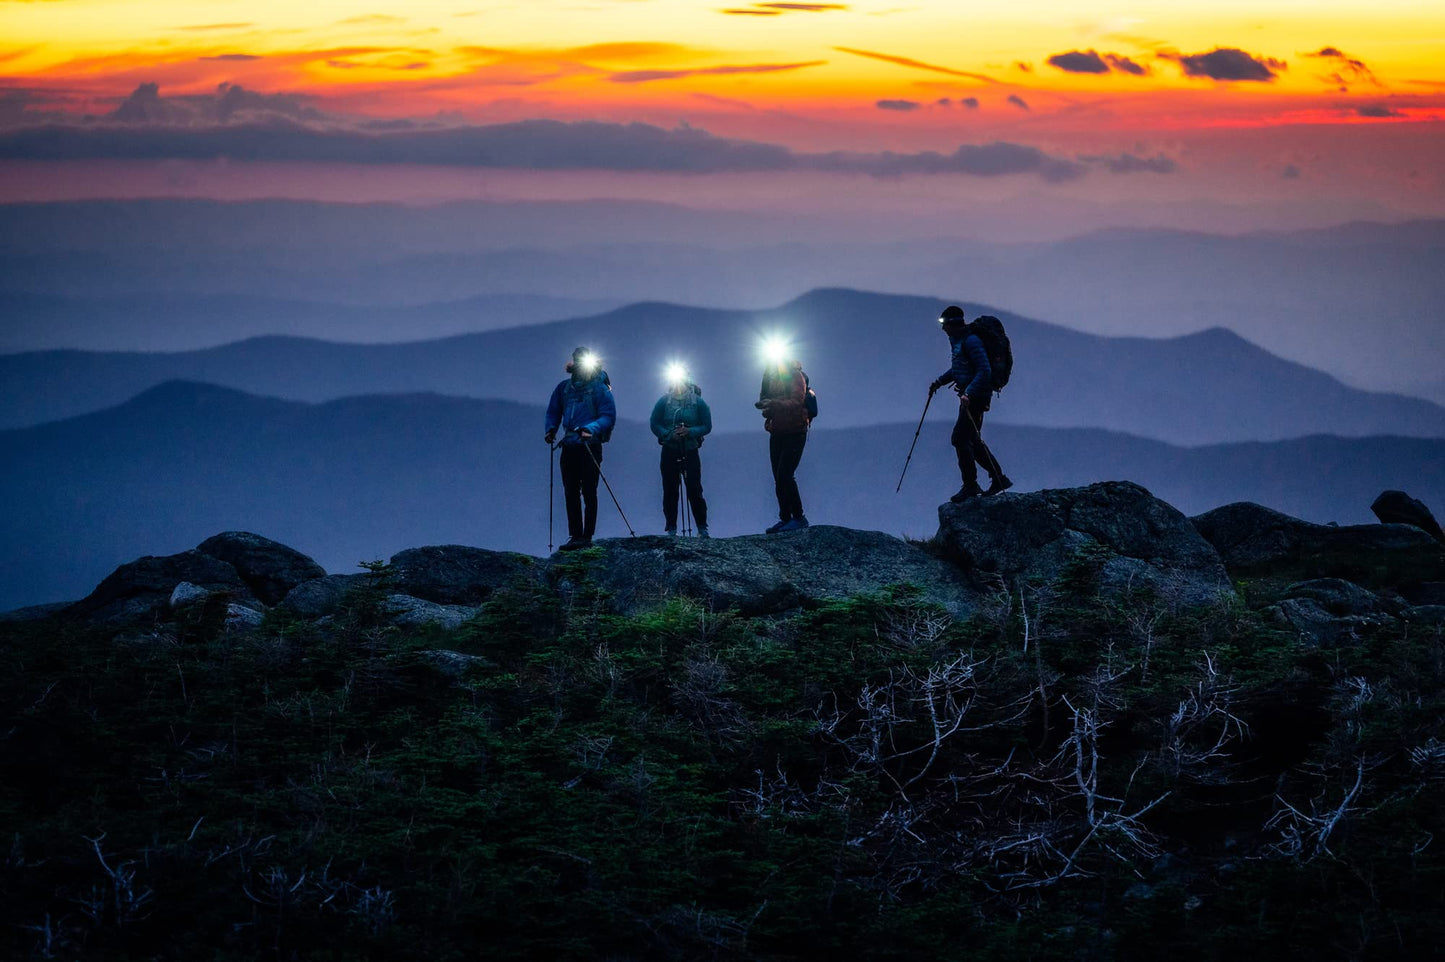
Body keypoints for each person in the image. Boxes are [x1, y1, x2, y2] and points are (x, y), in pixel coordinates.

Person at [929, 305, 1012, 502]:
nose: (943, 329)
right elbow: (960, 368)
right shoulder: (959, 341)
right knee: (971, 440)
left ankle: (971, 485)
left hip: (976, 397)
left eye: (944, 324)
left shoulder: (971, 341)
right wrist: (940, 382)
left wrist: (968, 393)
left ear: (952, 323)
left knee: (960, 438)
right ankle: (997, 479)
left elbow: (984, 370)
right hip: (970, 396)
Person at [544, 346, 617, 550]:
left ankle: (586, 536)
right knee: (571, 491)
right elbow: (554, 411)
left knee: (588, 491)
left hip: (589, 446)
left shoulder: (599, 388)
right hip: (570, 445)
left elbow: (608, 416)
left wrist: (590, 429)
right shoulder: (564, 389)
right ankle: (576, 535)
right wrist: (551, 429)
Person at [649, 369, 712, 537]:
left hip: (689, 450)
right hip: (671, 450)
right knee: (670, 489)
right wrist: (669, 434)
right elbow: (654, 423)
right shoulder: (664, 402)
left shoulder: (698, 402)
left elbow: (707, 426)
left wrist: (689, 432)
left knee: (694, 489)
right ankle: (672, 528)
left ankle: (701, 527)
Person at [756, 354, 811, 532]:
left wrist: (773, 403)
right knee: (778, 477)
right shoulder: (770, 377)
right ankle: (786, 518)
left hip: (795, 431)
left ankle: (799, 517)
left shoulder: (795, 376)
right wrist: (767, 407)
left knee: (785, 475)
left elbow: (797, 401)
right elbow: (767, 402)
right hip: (777, 431)